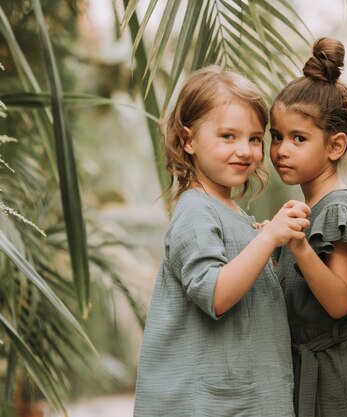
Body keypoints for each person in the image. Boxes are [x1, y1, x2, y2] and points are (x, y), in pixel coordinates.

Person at [133, 65, 310, 417]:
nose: (244, 150)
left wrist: (266, 242)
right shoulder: (195, 211)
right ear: (188, 140)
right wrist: (269, 237)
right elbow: (214, 294)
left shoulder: (228, 211)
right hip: (210, 404)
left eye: (255, 138)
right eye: (228, 136)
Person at [269, 38, 347, 417]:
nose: (281, 150)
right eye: (276, 136)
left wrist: (299, 248)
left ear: (335, 146)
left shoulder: (337, 209)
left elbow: (339, 302)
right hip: (319, 371)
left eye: (298, 138)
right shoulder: (308, 209)